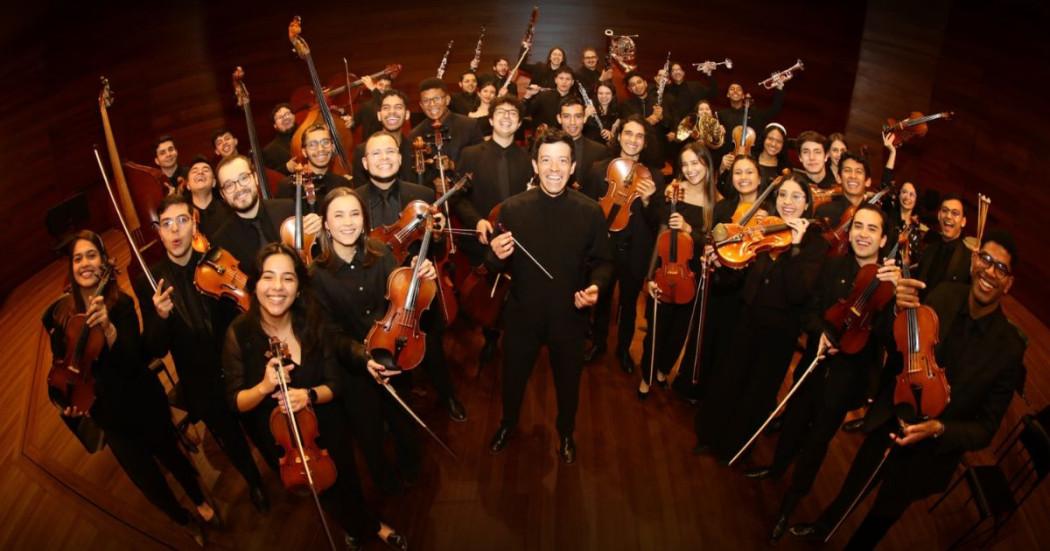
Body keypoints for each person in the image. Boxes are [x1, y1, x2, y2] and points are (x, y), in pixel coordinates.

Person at [789, 230, 1025, 550]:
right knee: (854, 482)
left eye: (1001, 268)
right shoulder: (943, 294)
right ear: (974, 261)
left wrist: (939, 428)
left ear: (1008, 284)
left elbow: (985, 429)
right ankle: (823, 527)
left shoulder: (1009, 350)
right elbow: (896, 343)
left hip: (929, 453)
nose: (990, 271)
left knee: (882, 515)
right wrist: (897, 311)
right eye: (985, 259)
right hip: (893, 414)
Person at [222, 243, 407, 550]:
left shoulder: (312, 321)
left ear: (298, 289)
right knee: (322, 492)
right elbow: (235, 401)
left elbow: (334, 385)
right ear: (255, 284)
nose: (277, 287)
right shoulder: (239, 333)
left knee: (347, 477)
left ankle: (367, 524)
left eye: (288, 278)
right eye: (268, 277)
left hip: (327, 421)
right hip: (282, 435)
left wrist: (307, 395)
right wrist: (264, 387)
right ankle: (360, 526)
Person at [43, 232, 214, 545]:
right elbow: (61, 364)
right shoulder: (63, 314)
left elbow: (133, 360)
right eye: (78, 258)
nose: (84, 263)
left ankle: (199, 498)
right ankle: (182, 518)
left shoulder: (120, 305)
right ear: (71, 267)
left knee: (173, 457)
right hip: (108, 416)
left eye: (91, 255)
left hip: (142, 400)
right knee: (147, 480)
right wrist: (68, 402)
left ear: (103, 262)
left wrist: (109, 330)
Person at [747, 205, 900, 542]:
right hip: (814, 364)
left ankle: (789, 505)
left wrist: (896, 303)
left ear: (883, 240)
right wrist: (822, 334)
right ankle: (775, 468)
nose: (862, 234)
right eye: (858, 226)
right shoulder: (833, 266)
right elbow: (810, 311)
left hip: (846, 380)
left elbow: (888, 339)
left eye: (871, 229)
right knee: (793, 422)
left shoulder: (889, 287)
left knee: (816, 443)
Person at [133, 195, 268, 512]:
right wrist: (160, 317)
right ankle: (255, 482)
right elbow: (154, 348)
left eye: (182, 220)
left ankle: (277, 466)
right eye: (167, 224)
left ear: (194, 224)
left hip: (236, 366)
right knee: (230, 438)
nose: (175, 230)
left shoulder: (216, 258)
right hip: (200, 380)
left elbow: (245, 306)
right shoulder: (148, 281)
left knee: (258, 424)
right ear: (159, 232)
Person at [486, 130, 613, 464]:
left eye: (562, 161)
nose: (554, 168)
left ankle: (566, 433)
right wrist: (495, 254)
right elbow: (493, 265)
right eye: (546, 160)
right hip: (522, 316)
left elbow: (603, 262)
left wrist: (596, 288)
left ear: (572, 167)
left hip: (569, 318)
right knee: (512, 379)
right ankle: (508, 424)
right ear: (535, 165)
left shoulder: (590, 212)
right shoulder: (512, 209)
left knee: (568, 384)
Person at [310, 186, 433, 495]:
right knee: (369, 433)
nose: (348, 222)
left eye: (355, 214)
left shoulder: (381, 252)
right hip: (354, 368)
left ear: (364, 220)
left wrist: (419, 278)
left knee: (403, 422)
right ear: (326, 223)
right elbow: (329, 333)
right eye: (339, 215)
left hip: (392, 353)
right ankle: (383, 481)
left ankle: (412, 469)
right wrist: (362, 358)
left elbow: (401, 299)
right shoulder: (316, 274)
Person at [693, 174, 827, 456]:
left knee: (757, 391)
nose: (788, 202)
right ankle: (709, 436)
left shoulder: (815, 245)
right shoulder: (763, 228)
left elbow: (798, 293)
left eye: (796, 196)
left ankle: (734, 448)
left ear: (807, 203)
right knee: (729, 379)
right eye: (783, 195)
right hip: (747, 318)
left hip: (779, 331)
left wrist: (795, 247)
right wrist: (720, 263)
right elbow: (738, 279)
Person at [356, 133, 468, 422]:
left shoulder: (422, 196)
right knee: (381, 351)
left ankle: (447, 395)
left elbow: (436, 247)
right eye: (376, 153)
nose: (384, 158)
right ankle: (393, 409)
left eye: (389, 152)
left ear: (399, 158)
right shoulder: (354, 199)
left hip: (417, 289)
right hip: (375, 290)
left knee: (433, 348)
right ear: (365, 163)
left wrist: (435, 247)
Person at [583, 117, 662, 369]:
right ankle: (598, 343)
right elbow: (588, 208)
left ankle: (624, 350)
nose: (633, 140)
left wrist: (648, 201)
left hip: (636, 249)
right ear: (619, 136)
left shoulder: (655, 177)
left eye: (639, 136)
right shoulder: (599, 169)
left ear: (645, 142)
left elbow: (657, 222)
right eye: (628, 133)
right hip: (606, 247)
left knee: (629, 304)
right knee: (602, 299)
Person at [637, 142, 715, 397]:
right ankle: (647, 374)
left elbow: (715, 243)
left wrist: (690, 230)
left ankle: (663, 368)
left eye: (696, 163)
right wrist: (651, 276)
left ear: (707, 164)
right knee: (656, 328)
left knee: (679, 332)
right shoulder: (673, 192)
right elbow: (659, 232)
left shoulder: (717, 202)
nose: (690, 169)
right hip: (665, 269)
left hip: (693, 276)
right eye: (685, 164)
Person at [211, 154, 320, 282]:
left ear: (255, 178)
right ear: (222, 194)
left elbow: (316, 258)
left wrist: (320, 233)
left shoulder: (289, 209)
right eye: (229, 185)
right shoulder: (221, 242)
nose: (239, 188)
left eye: (243, 178)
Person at [408, 78, 484, 188]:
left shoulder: (469, 125)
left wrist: (454, 166)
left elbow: (481, 163)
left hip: (468, 193)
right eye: (426, 101)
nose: (432, 104)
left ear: (447, 100)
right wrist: (432, 183)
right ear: (421, 105)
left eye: (437, 98)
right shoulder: (415, 135)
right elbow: (414, 177)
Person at [276, 123, 352, 207]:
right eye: (312, 144)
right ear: (304, 152)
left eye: (325, 142)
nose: (320, 149)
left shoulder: (343, 183)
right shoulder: (289, 186)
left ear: (333, 147)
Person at [350, 89, 416, 185]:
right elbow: (360, 191)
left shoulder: (415, 149)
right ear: (379, 115)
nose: (392, 112)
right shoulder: (362, 151)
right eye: (386, 108)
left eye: (398, 107)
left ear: (407, 115)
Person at [916, 194, 970, 296]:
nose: (948, 216)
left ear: (963, 221)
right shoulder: (929, 249)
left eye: (955, 213)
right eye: (945, 211)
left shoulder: (968, 259)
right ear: (939, 215)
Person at [557, 96, 611, 191]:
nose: (572, 122)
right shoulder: (548, 149)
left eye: (578, 116)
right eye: (566, 116)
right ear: (559, 118)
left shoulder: (600, 151)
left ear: (585, 118)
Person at [182, 155, 230, 238]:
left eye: (205, 170)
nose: (200, 172)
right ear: (188, 185)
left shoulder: (229, 210)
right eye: (194, 171)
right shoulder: (183, 215)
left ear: (214, 182)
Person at [523, 66, 577, 132]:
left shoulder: (575, 101)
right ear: (556, 80)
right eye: (561, 78)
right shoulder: (543, 96)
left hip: (565, 136)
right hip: (542, 135)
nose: (564, 82)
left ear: (572, 82)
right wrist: (527, 95)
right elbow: (525, 113)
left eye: (568, 79)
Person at [262, 103, 297, 176]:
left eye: (287, 113)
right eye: (280, 117)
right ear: (275, 125)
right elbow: (269, 177)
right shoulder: (270, 151)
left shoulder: (309, 133)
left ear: (294, 116)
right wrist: (286, 168)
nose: (285, 118)